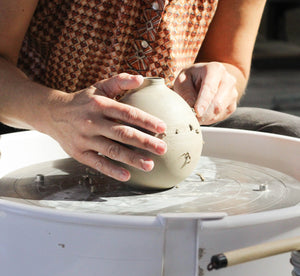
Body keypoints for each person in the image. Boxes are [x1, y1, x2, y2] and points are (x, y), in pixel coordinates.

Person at [0, 0, 299, 183]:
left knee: (288, 135)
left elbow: (232, 64)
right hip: (35, 123)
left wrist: (218, 80)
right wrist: (58, 112)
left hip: (169, 134)